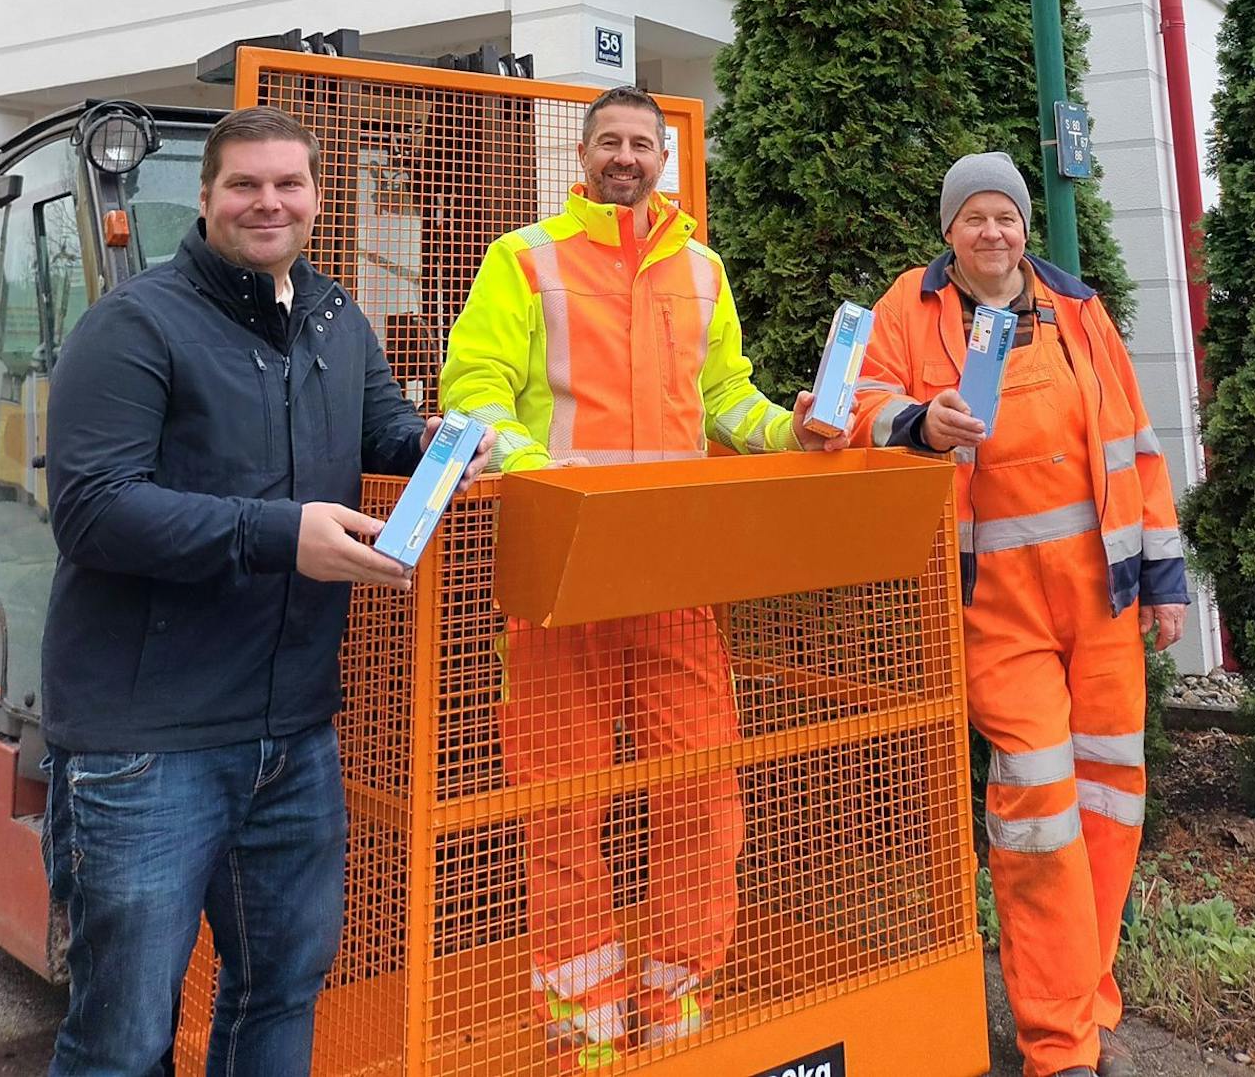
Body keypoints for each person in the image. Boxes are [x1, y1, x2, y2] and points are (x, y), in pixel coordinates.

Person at [41, 107, 490, 1077]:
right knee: (121, 1039)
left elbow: (380, 430)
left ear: (318, 198)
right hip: (146, 746)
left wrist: (439, 445)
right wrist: (283, 534)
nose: (267, 201)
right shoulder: (132, 325)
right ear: (204, 198)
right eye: (244, 184)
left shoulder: (333, 316)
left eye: (288, 183)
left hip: (292, 737)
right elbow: (93, 511)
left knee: (278, 999)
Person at [441, 84, 840, 1071]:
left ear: (663, 157)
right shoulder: (521, 259)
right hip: (559, 578)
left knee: (701, 793)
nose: (625, 156)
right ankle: (586, 1024)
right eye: (608, 141)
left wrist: (791, 430)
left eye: (640, 143)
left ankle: (673, 1001)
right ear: (580, 156)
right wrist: (546, 479)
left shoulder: (700, 269)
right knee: (562, 805)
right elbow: (475, 392)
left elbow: (725, 400)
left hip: (671, 574)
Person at [848, 152, 1188, 1077]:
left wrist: (1163, 579)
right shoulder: (906, 311)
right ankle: (1060, 1046)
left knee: (1112, 801)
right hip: (996, 608)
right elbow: (855, 405)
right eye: (975, 218)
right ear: (948, 230)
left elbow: (1136, 443)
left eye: (1007, 217)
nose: (993, 232)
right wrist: (918, 421)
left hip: (1103, 596)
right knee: (1038, 810)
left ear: (1025, 227)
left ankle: (1084, 998)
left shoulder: (1077, 309)